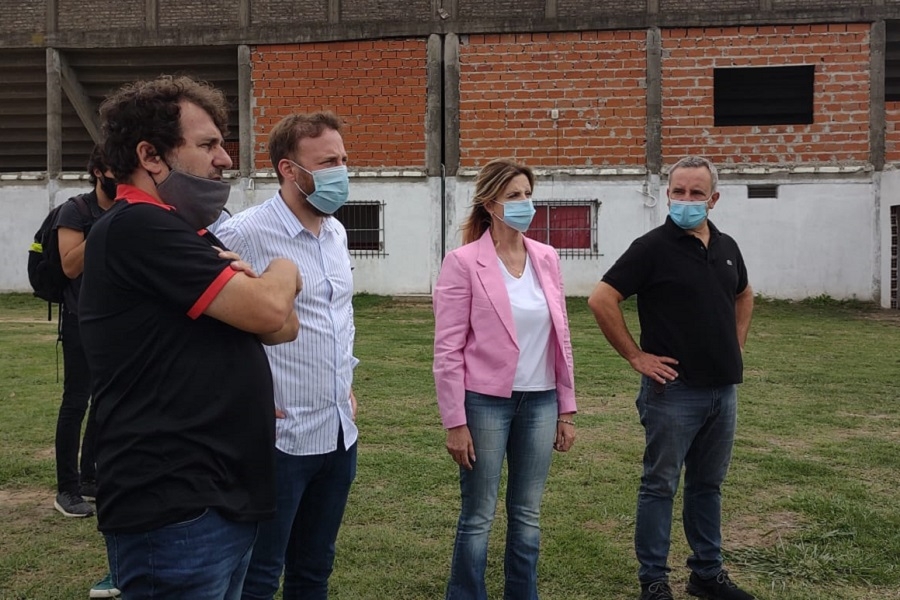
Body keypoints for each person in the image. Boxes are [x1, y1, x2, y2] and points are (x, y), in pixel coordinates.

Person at [78, 74, 302, 599]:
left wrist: (266, 294)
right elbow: (272, 307)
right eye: (208, 145)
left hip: (217, 497)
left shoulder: (187, 234)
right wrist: (286, 268)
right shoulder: (139, 227)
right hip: (176, 506)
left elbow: (280, 329)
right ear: (151, 156)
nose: (224, 159)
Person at [587, 156, 755, 600]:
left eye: (696, 193)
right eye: (678, 191)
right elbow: (602, 299)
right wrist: (636, 356)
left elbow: (744, 294)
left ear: (713, 199)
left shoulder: (727, 246)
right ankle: (654, 581)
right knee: (660, 485)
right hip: (673, 392)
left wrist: (736, 343)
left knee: (708, 485)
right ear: (667, 194)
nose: (686, 199)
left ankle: (707, 573)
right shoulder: (651, 248)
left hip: (722, 390)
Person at [215, 111, 358, 600]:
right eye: (328, 162)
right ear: (288, 169)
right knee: (259, 574)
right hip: (278, 440)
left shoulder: (335, 232)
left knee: (314, 568)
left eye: (343, 159)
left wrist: (346, 383)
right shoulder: (245, 233)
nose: (342, 171)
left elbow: (338, 317)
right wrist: (240, 396)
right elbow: (205, 328)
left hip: (338, 433)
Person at [433, 158, 577, 600]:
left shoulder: (547, 258)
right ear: (490, 203)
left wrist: (566, 409)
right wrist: (455, 422)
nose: (524, 203)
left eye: (527, 194)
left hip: (541, 401)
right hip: (485, 404)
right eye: (513, 195)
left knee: (527, 515)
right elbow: (447, 349)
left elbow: (561, 337)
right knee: (478, 516)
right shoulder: (462, 263)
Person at [53, 144, 116, 520]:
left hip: (114, 320)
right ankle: (67, 488)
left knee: (105, 400)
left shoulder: (126, 209)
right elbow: (70, 266)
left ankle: (90, 476)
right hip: (80, 318)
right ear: (98, 172)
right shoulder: (75, 210)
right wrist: (106, 229)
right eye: (113, 170)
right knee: (76, 401)